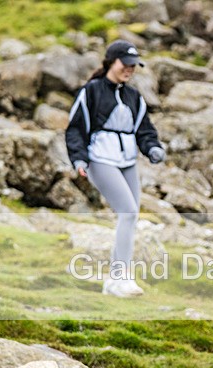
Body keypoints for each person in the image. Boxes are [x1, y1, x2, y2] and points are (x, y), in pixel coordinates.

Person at [65, 40, 165, 297]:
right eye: (125, 64)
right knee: (128, 212)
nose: (130, 69)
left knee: (130, 216)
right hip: (100, 159)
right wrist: (79, 159)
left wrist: (153, 148)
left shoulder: (134, 96)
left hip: (127, 161)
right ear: (111, 62)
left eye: (134, 65)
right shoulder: (91, 91)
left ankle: (113, 281)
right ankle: (121, 278)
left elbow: (144, 131)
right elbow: (75, 129)